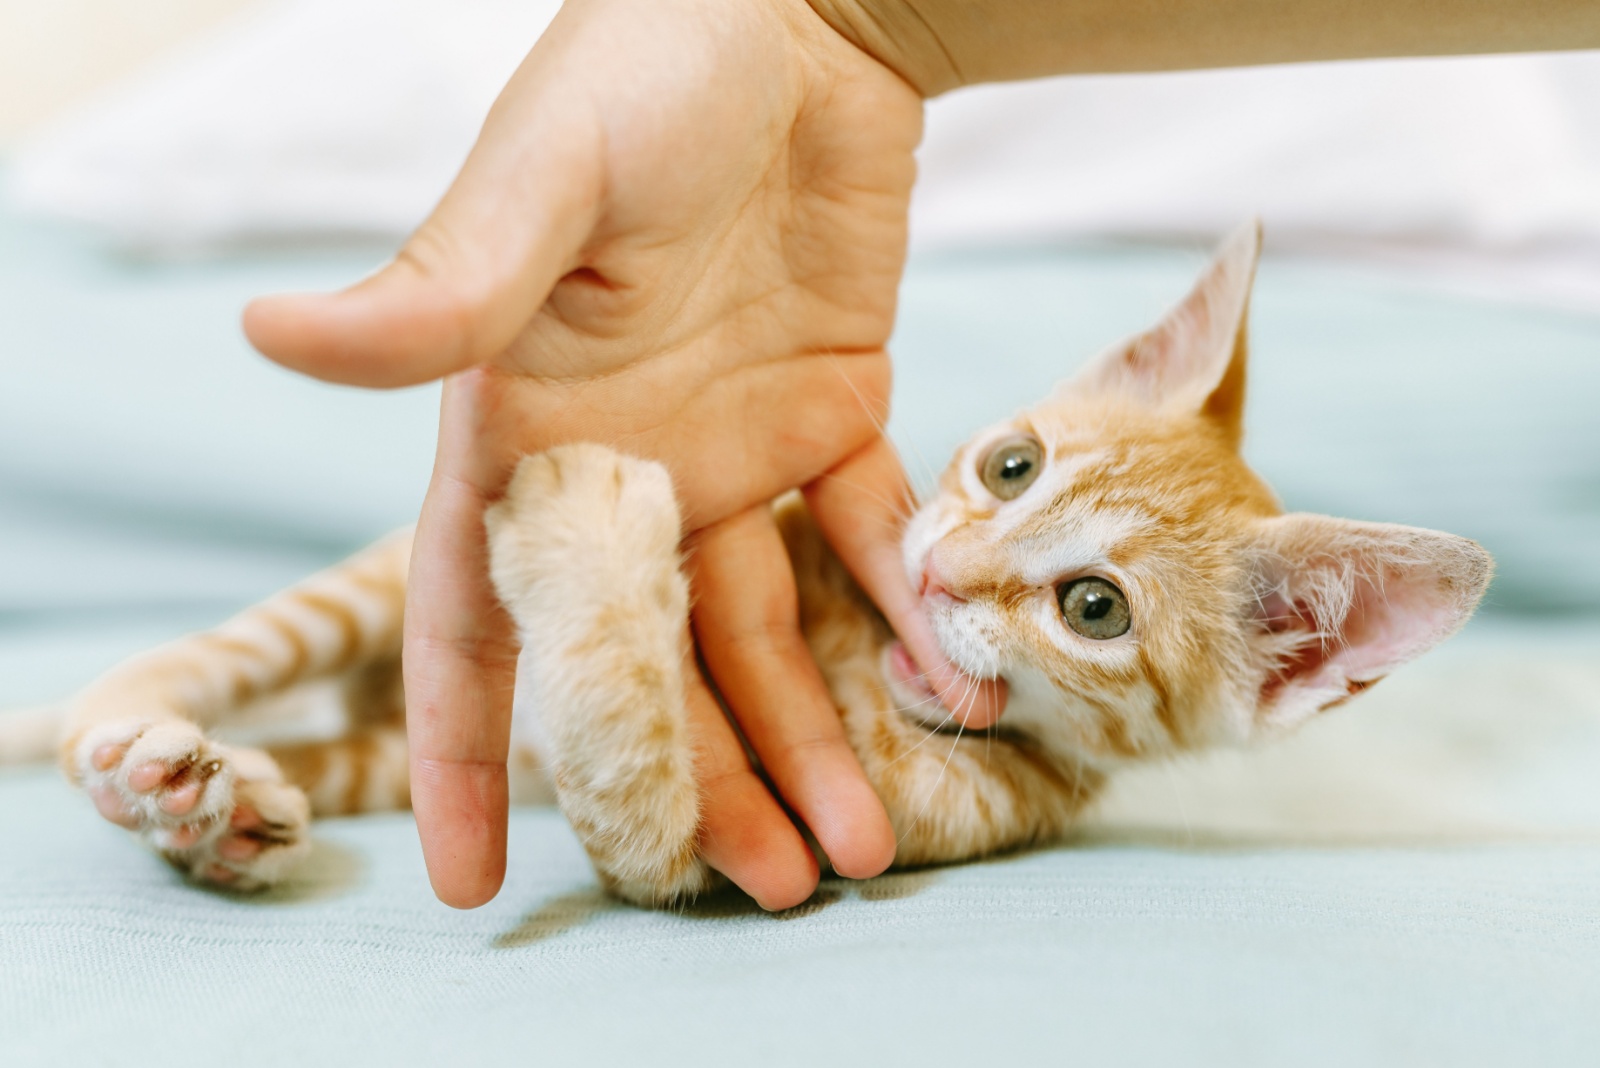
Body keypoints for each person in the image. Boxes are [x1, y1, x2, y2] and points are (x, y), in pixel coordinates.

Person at [241, 0, 1599, 910]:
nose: (952, 558)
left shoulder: (996, 775)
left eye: (1091, 605)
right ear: (1104, 382)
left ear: (1294, 663)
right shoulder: (921, 538)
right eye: (1011, 473)